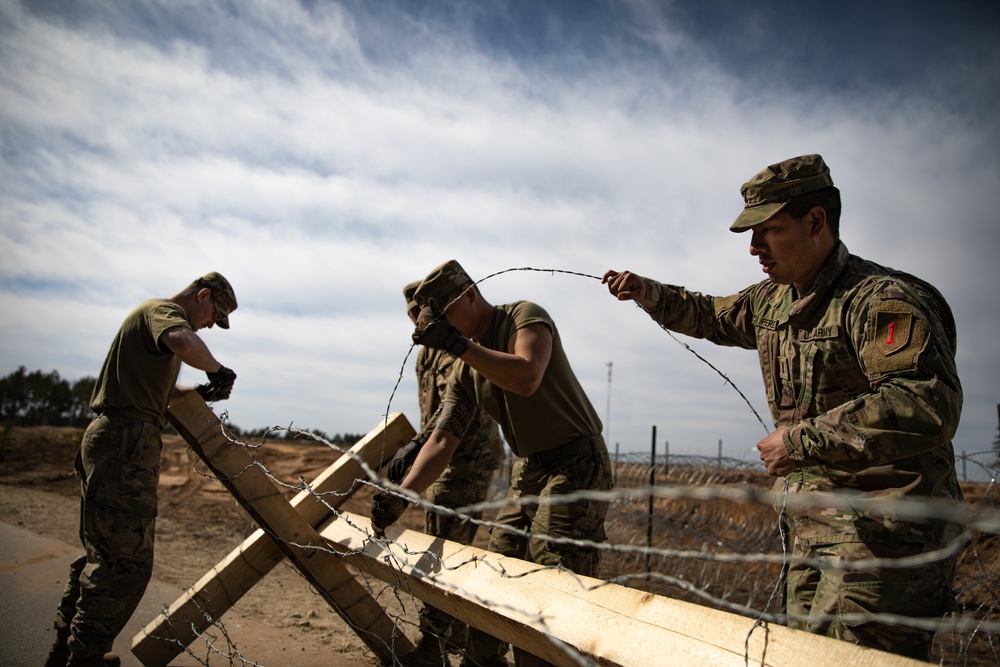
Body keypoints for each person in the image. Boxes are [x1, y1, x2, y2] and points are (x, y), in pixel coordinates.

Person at [603, 154, 963, 660]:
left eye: (769, 230)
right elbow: (710, 313)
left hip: (882, 544)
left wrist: (798, 440)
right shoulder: (773, 301)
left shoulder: (879, 300)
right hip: (809, 534)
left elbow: (924, 400)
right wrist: (649, 292)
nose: (754, 248)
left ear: (816, 222)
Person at [372, 260, 613, 667]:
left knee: (547, 583)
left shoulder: (523, 316)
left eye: (444, 315)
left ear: (469, 294)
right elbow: (443, 441)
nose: (440, 327)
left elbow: (527, 376)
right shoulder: (465, 371)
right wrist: (403, 495)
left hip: (576, 463)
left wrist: (457, 344)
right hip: (529, 471)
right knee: (495, 574)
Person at [44, 272, 239, 667]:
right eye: (212, 316)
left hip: (116, 438)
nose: (208, 326)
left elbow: (164, 393)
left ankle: (65, 648)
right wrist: (217, 370)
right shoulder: (163, 314)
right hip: (125, 442)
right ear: (202, 295)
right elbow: (182, 340)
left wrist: (201, 392)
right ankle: (85, 657)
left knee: (102, 552)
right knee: (126, 563)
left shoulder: (153, 326)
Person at [390, 280, 504, 666]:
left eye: (422, 312)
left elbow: (451, 417)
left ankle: (434, 645)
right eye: (411, 314)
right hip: (442, 455)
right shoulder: (426, 353)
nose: (416, 320)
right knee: (450, 545)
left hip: (465, 457)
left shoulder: (454, 347)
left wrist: (419, 444)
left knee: (441, 546)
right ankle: (454, 635)